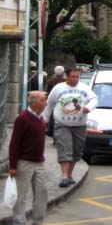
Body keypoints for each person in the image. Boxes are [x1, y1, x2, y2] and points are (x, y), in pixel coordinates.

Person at [44, 66, 98, 187]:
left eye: (77, 77)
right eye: (73, 77)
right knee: (65, 148)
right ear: (67, 77)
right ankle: (64, 177)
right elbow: (50, 104)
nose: (75, 79)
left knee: (76, 151)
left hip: (79, 125)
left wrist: (88, 108)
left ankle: (69, 175)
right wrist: (44, 120)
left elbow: (94, 99)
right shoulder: (58, 88)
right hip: (62, 124)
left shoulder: (84, 88)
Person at [8, 90, 48, 225]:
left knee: (42, 193)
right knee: (21, 196)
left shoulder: (41, 117)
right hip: (24, 162)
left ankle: (38, 221)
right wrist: (13, 166)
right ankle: (18, 222)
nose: (46, 103)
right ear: (35, 103)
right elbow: (14, 143)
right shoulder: (23, 118)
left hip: (39, 162)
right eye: (43, 100)